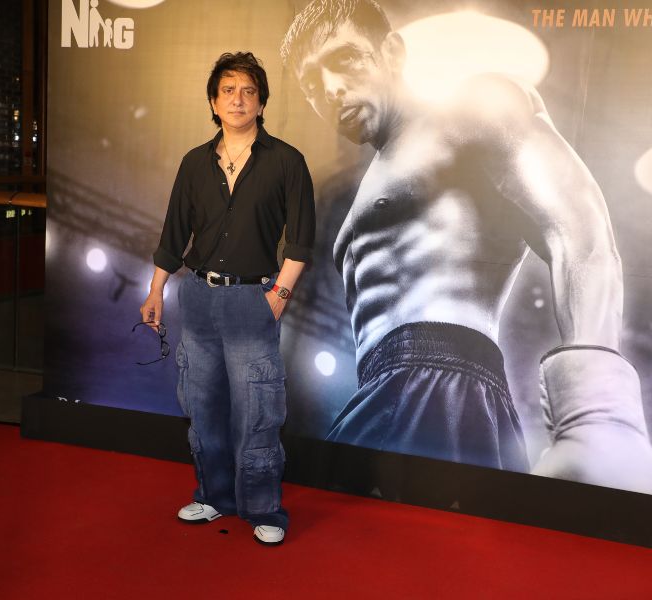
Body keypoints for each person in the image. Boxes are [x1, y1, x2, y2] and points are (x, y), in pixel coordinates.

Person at [280, 0, 652, 492]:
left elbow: (579, 229)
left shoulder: (471, 111)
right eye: (310, 84)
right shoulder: (358, 193)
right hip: (378, 392)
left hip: (443, 382)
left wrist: (596, 415)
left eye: (344, 59)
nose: (330, 89)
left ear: (391, 53)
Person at [140, 52, 315, 544]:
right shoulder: (194, 163)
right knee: (203, 406)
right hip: (197, 299)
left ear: (261, 102)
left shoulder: (286, 161)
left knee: (259, 411)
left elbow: (301, 240)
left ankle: (264, 510)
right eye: (228, 91)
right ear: (214, 103)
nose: (238, 100)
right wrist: (156, 290)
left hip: (252, 301)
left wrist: (278, 295)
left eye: (248, 91)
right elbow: (174, 235)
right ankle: (213, 495)